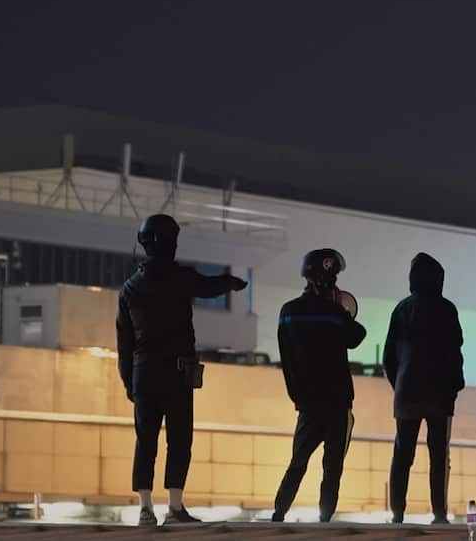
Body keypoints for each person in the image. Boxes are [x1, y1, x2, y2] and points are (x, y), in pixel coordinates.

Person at [116, 214, 248, 527]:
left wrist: (127, 381)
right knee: (179, 439)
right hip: (177, 373)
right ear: (171, 243)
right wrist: (233, 282)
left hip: (143, 373)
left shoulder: (130, 287)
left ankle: (145, 508)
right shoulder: (180, 277)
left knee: (145, 440)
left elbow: (123, 341)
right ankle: (175, 508)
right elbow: (209, 286)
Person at [272, 248, 368, 523]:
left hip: (307, 404)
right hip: (337, 403)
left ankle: (279, 512)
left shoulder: (288, 312)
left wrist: (297, 397)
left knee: (297, 462)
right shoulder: (334, 314)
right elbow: (358, 335)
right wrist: (341, 308)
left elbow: (286, 359)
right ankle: (324, 519)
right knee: (332, 466)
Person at [383, 252, 465, 524]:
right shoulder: (447, 309)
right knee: (439, 456)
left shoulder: (402, 309)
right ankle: (439, 513)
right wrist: (455, 385)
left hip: (406, 393)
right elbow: (455, 352)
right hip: (440, 396)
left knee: (402, 455)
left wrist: (400, 385)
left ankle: (397, 513)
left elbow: (388, 358)